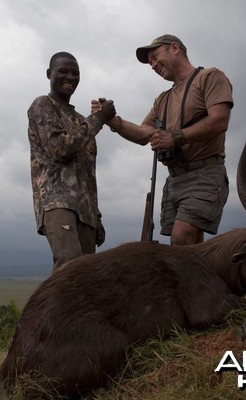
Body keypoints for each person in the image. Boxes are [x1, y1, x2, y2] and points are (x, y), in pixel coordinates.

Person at [95, 34, 233, 245]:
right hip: (175, 180)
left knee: (182, 237)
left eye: (155, 56)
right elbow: (144, 134)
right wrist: (111, 120)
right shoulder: (162, 99)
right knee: (183, 250)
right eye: (150, 62)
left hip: (204, 174)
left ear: (175, 48)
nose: (152, 65)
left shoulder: (209, 77)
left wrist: (175, 137)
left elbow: (219, 121)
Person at [28, 52, 116, 270]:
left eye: (75, 73)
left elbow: (87, 173)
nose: (70, 77)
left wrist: (97, 217)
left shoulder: (80, 120)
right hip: (57, 202)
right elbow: (61, 149)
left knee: (85, 277)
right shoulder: (42, 105)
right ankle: (51, 306)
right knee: (69, 265)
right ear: (49, 74)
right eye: (63, 71)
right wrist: (99, 118)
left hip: (86, 212)